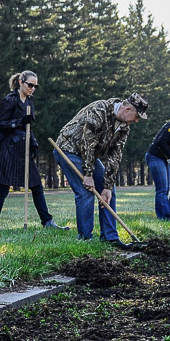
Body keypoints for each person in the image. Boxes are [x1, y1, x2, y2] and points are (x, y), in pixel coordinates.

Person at [53, 92, 148, 249]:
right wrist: (88, 174)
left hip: (89, 155)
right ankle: (85, 239)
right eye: (137, 116)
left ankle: (110, 237)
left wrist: (107, 186)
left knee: (109, 192)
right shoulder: (100, 109)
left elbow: (115, 156)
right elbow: (87, 142)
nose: (136, 120)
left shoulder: (124, 126)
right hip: (69, 149)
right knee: (85, 192)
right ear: (127, 109)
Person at [0, 71, 67, 232]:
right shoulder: (10, 100)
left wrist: (34, 144)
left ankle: (48, 222)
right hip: (8, 149)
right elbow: (2, 124)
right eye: (30, 85)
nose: (32, 88)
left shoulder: (30, 102)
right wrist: (19, 122)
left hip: (24, 149)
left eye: (35, 86)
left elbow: (29, 128)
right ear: (21, 82)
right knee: (2, 190)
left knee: (36, 186)